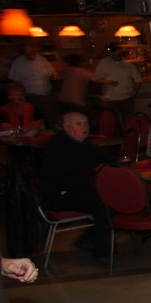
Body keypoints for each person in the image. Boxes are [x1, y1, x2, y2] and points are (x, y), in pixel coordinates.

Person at [38, 112, 112, 264]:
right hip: (60, 195)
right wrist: (95, 175)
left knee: (118, 197)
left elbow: (106, 159)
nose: (84, 127)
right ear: (66, 127)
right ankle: (102, 254)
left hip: (78, 188)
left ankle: (89, 237)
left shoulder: (85, 144)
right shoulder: (58, 147)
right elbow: (67, 180)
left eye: (86, 123)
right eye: (78, 124)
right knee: (103, 203)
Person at [94, 43, 142, 126]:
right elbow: (97, 79)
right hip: (110, 99)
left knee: (128, 121)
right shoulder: (104, 63)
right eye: (115, 54)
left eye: (119, 54)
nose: (117, 56)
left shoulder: (128, 63)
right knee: (112, 123)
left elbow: (138, 79)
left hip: (126, 98)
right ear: (111, 53)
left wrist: (134, 92)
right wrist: (109, 82)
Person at [7, 43, 56, 123]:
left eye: (32, 53)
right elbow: (14, 79)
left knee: (49, 115)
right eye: (27, 54)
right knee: (32, 116)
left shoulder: (43, 60)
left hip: (45, 94)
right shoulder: (18, 62)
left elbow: (51, 74)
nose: (30, 56)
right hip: (29, 95)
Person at [57, 54, 111, 121]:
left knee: (67, 121)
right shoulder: (83, 72)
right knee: (83, 120)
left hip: (62, 100)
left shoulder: (65, 70)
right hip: (76, 101)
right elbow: (98, 80)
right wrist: (111, 82)